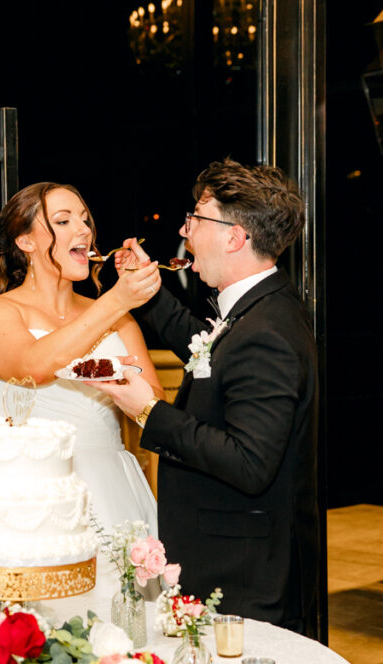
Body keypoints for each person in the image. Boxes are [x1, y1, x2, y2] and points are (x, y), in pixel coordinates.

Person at [93, 159, 318, 635]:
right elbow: (209, 354)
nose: (183, 229)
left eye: (195, 218)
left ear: (235, 237)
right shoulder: (257, 311)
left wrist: (147, 411)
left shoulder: (267, 331)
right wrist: (148, 292)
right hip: (236, 563)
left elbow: (249, 463)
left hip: (247, 578)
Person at [0, 182, 164, 534]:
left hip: (111, 490)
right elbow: (32, 367)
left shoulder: (119, 319)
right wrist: (117, 299)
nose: (83, 230)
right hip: (27, 495)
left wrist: (130, 393)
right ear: (25, 242)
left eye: (85, 220)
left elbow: (155, 408)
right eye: (63, 221)